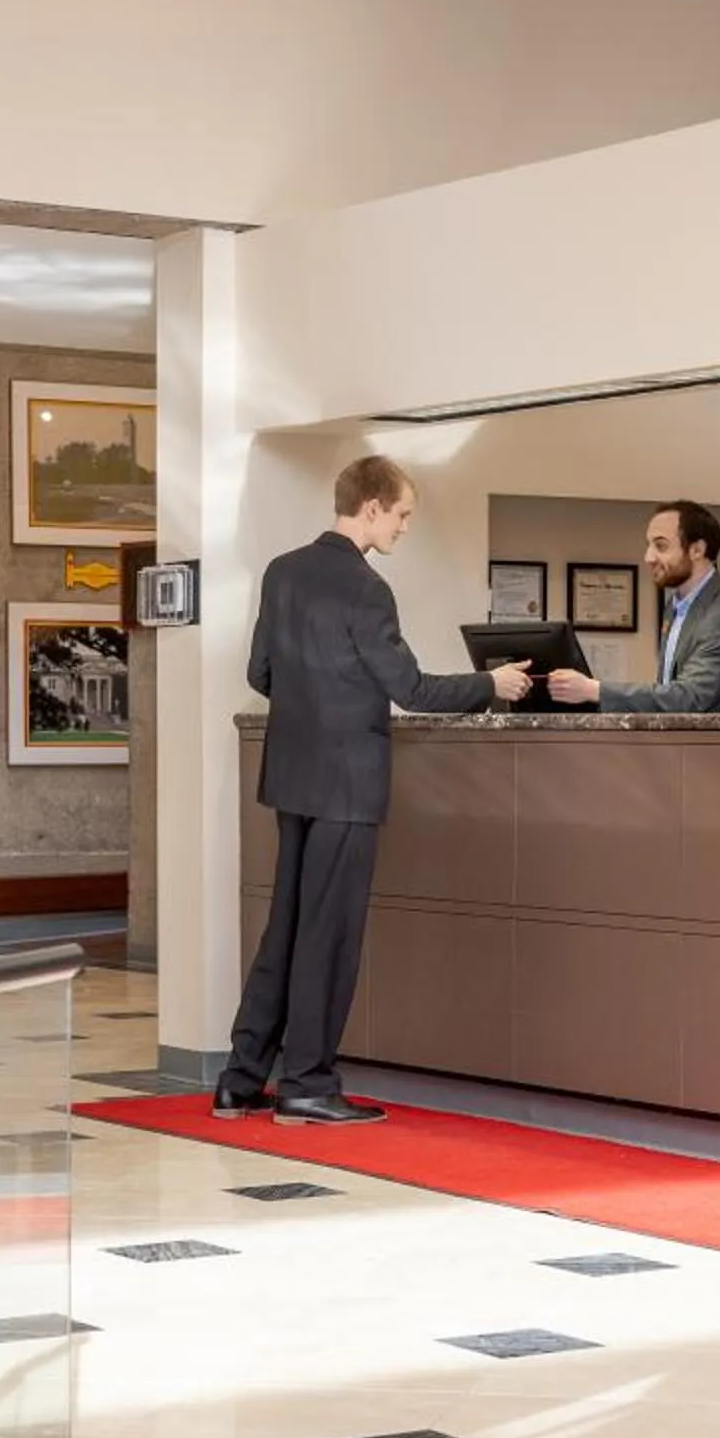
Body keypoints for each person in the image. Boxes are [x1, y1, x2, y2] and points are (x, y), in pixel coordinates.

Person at [217, 455, 533, 1125]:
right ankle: (306, 1084)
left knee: (286, 929)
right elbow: (411, 690)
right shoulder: (366, 588)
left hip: (292, 776)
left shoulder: (282, 572)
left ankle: (240, 1080)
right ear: (370, 507)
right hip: (348, 784)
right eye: (402, 515)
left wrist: (315, 702)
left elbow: (260, 671)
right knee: (328, 936)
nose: (404, 528)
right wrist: (491, 683)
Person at [546, 499, 720, 712]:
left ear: (697, 550)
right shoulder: (674, 608)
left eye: (661, 546)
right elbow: (668, 691)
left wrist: (594, 690)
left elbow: (688, 698)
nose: (648, 557)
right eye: (649, 545)